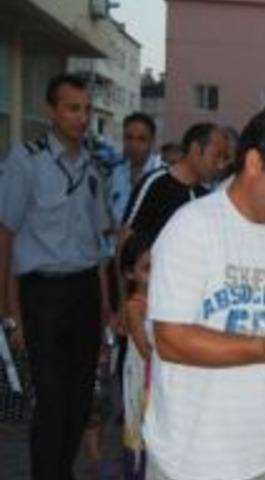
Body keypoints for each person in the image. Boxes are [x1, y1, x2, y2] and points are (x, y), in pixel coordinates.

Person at [143, 97, 265, 480]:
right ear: (254, 163)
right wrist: (261, 348)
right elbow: (170, 340)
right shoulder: (192, 228)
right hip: (190, 461)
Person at [0, 73, 115, 479]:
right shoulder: (24, 161)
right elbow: (5, 237)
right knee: (50, 401)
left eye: (86, 109)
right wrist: (9, 314)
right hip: (42, 295)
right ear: (52, 111)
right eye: (72, 108)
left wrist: (103, 304)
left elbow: (98, 246)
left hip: (84, 292)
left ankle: (60, 471)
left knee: (80, 399)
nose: (82, 118)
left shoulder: (93, 167)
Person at [121, 122, 227, 245]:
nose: (221, 165)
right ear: (196, 149)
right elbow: (125, 236)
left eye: (225, 158)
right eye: (217, 156)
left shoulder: (206, 195)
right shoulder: (155, 183)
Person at [119, 232, 154, 480]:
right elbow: (146, 351)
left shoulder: (167, 297)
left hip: (160, 377)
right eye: (147, 268)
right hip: (144, 379)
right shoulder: (134, 307)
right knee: (143, 439)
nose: (155, 272)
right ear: (130, 274)